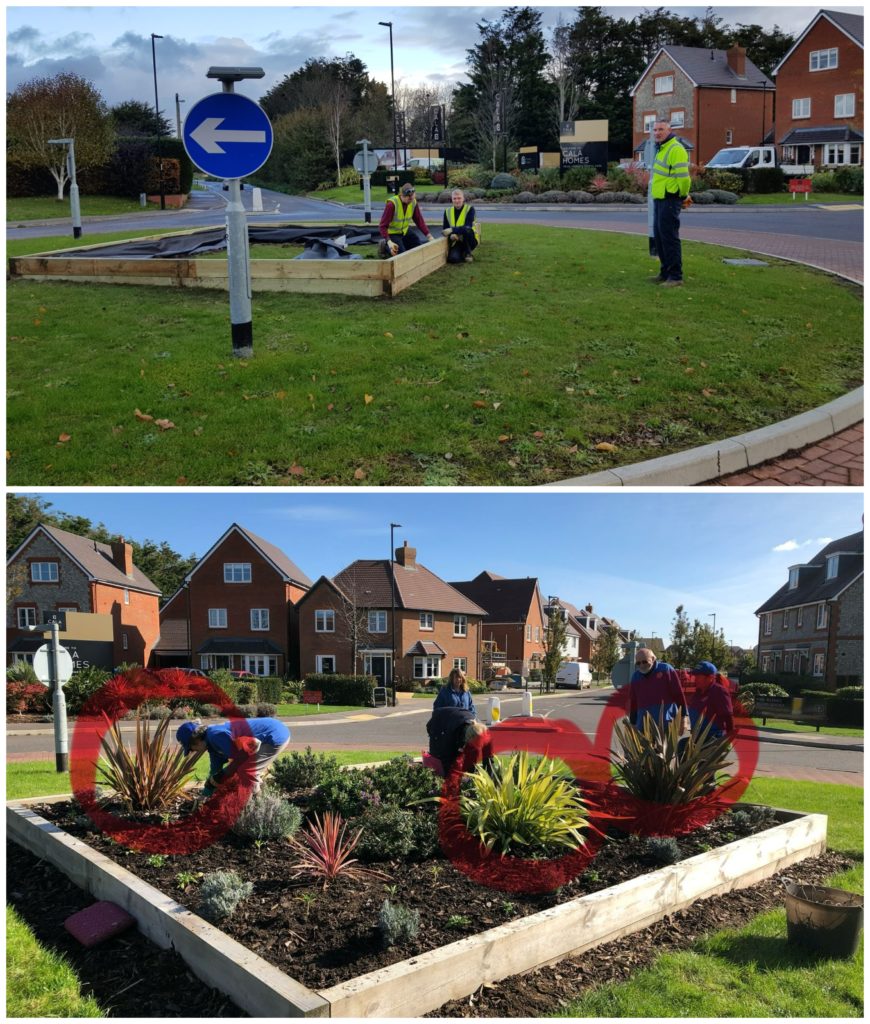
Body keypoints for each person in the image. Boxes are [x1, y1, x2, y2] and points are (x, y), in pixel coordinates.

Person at [176, 717, 290, 798]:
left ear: (196, 740)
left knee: (245, 770)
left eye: (191, 748)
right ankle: (255, 799)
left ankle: (257, 802)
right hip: (263, 738)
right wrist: (206, 793)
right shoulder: (211, 745)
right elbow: (215, 771)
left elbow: (242, 757)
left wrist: (223, 774)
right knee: (244, 770)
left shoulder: (215, 735)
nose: (193, 751)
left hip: (273, 735)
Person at [650, 119, 692, 287]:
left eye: (661, 129)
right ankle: (665, 272)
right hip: (660, 198)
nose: (657, 133)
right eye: (655, 130)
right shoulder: (662, 148)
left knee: (669, 238)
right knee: (660, 237)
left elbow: (683, 178)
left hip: (670, 198)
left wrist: (682, 196)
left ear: (669, 130)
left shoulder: (675, 149)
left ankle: (675, 276)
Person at [628, 647, 688, 734]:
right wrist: (633, 723)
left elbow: (678, 695)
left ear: (653, 659)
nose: (641, 665)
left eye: (645, 662)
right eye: (638, 663)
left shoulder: (666, 670)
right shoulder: (635, 677)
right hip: (644, 727)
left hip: (666, 725)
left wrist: (683, 718)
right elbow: (634, 702)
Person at [426, 706, 488, 775]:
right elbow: (447, 758)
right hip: (439, 723)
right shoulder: (451, 734)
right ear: (468, 739)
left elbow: (488, 758)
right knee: (441, 762)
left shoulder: (482, 731)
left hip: (458, 719)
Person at [378, 182, 433, 257]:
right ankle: (385, 246)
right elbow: (382, 226)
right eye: (408, 199)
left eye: (412, 198)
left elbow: (419, 220)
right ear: (402, 195)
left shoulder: (413, 202)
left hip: (405, 231)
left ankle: (401, 245)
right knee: (402, 255)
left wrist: (429, 236)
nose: (410, 201)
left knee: (418, 246)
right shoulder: (391, 204)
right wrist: (389, 241)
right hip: (393, 233)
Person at [687, 661, 734, 741]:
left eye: (699, 676)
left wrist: (729, 739)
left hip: (712, 737)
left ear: (710, 677)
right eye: (695, 676)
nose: (695, 679)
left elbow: (728, 716)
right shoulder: (698, 693)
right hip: (697, 737)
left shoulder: (719, 691)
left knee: (681, 746)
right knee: (681, 746)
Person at [442, 189, 479, 264]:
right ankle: (463, 254)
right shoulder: (447, 211)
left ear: (463, 199)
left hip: (470, 240)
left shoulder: (470, 209)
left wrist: (452, 230)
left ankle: (468, 253)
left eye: (459, 198)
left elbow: (468, 226)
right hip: (457, 241)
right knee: (453, 259)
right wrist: (451, 235)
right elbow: (445, 229)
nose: (457, 201)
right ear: (451, 199)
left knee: (467, 230)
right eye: (454, 198)